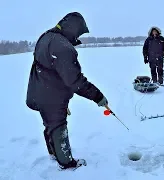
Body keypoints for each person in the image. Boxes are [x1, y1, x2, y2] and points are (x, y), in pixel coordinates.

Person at [26, 12, 108, 170]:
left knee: (50, 124)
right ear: (73, 29)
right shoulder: (62, 47)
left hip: (40, 91)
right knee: (58, 127)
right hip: (51, 96)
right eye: (78, 32)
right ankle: (66, 164)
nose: (78, 36)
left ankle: (53, 152)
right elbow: (75, 81)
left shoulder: (47, 37)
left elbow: (53, 71)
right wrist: (98, 96)